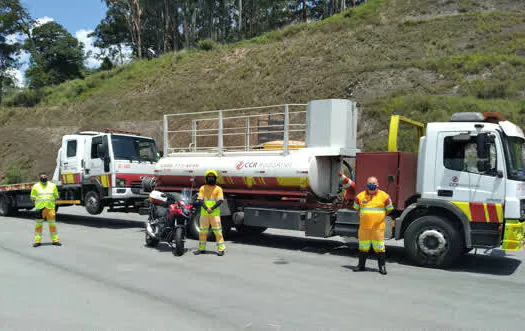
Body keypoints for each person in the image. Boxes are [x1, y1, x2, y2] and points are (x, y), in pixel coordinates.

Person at [353, 176, 393, 275]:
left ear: (378, 184)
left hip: (377, 228)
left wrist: (379, 216)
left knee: (379, 247)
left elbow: (389, 209)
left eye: (374, 183)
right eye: (370, 183)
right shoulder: (360, 196)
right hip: (364, 228)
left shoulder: (385, 196)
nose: (372, 185)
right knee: (363, 247)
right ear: (367, 185)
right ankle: (361, 266)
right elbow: (356, 208)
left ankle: (382, 267)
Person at [193, 169, 226, 256]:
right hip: (204, 214)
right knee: (202, 232)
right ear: (206, 178)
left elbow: (220, 201)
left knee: (218, 232)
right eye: (209, 177)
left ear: (215, 178)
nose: (211, 178)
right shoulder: (202, 188)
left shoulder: (218, 189)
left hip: (214, 214)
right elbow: (200, 199)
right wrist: (206, 208)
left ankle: (221, 249)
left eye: (212, 177)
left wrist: (211, 208)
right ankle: (201, 248)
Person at [30, 172, 62, 247]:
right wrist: (38, 205)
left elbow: (56, 196)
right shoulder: (35, 186)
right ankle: (37, 241)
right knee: (38, 225)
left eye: (45, 176)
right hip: (40, 209)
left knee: (52, 225)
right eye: (42, 176)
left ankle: (55, 240)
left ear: (47, 177)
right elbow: (33, 198)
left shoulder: (52, 185)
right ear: (39, 177)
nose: (44, 177)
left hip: (50, 208)